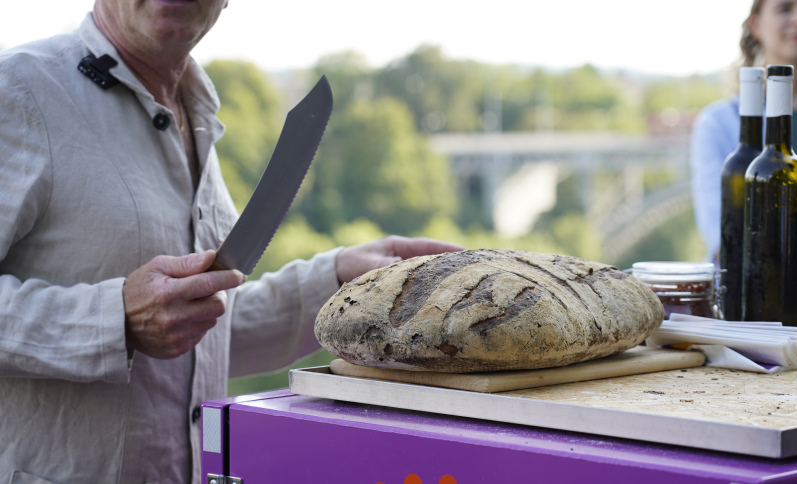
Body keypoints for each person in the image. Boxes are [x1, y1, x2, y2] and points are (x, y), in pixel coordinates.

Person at [0, 1, 463, 482]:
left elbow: (201, 337)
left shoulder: (193, 114)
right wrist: (112, 320)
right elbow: (141, 322)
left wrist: (341, 282)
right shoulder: (17, 91)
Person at [689, 0, 797, 320]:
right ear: (756, 24)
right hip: (759, 308)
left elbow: (755, 244)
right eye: (786, 8)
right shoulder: (718, 124)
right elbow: (728, 242)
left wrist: (774, 246)